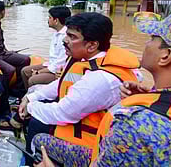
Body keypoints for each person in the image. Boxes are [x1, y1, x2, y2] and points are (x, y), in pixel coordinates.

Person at [85, 10, 171, 166]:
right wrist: (151, 96)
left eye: (152, 38)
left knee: (44, 143)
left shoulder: (135, 126)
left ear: (165, 56)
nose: (146, 43)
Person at [19, 12, 141, 166]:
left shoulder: (99, 79)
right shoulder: (93, 60)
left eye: (72, 36)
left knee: (37, 129)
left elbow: (62, 113)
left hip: (92, 147)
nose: (65, 40)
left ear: (92, 45)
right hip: (81, 116)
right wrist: (31, 97)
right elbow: (62, 83)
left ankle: (32, 162)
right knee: (36, 98)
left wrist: (29, 107)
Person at [0, 1, 30, 97]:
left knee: (26, 59)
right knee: (10, 70)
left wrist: (7, 51)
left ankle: (17, 89)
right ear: (3, 12)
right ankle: (4, 93)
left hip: (3, 53)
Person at [21, 6, 71, 90]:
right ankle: (26, 95)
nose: (48, 20)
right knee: (25, 71)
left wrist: (39, 72)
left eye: (50, 17)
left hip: (58, 71)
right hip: (51, 64)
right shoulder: (57, 33)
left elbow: (59, 63)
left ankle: (31, 99)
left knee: (32, 80)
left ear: (56, 20)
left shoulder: (65, 37)